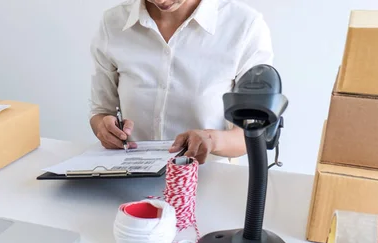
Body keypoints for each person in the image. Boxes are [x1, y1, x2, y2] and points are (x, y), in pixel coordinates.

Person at [89, 0, 274, 164]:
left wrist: (211, 140)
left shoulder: (244, 26)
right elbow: (101, 111)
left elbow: (254, 135)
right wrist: (104, 129)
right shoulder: (112, 23)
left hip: (209, 181)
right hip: (130, 177)